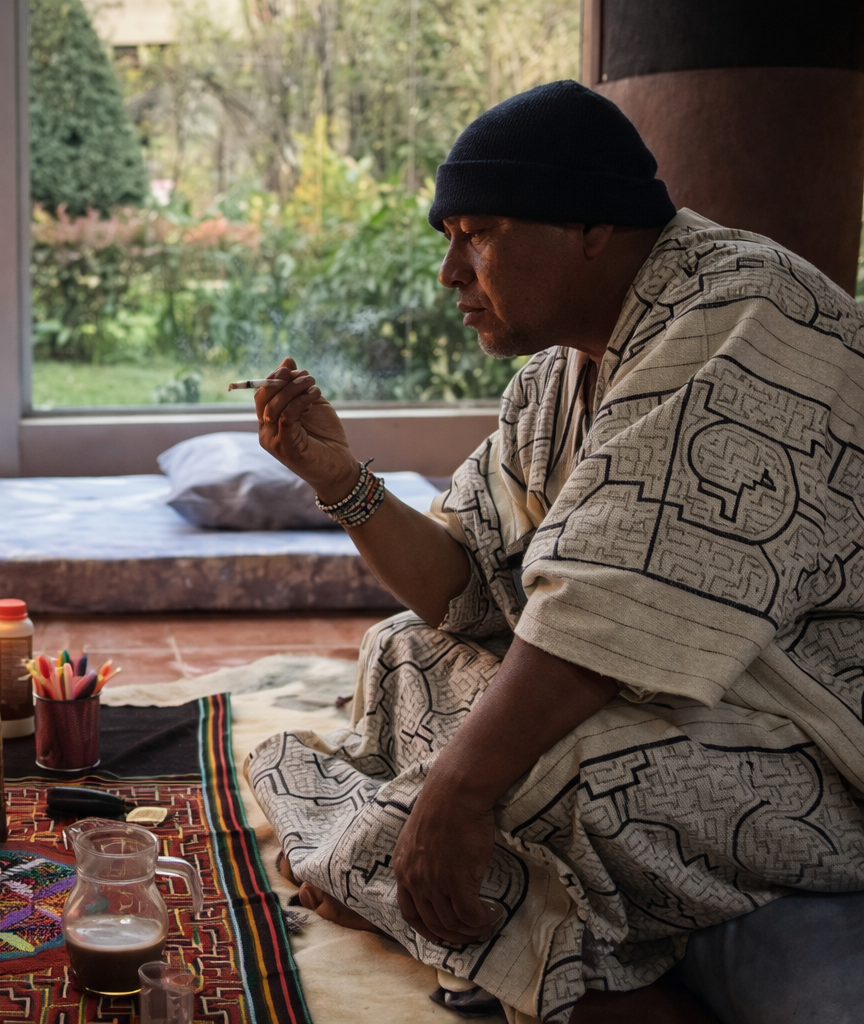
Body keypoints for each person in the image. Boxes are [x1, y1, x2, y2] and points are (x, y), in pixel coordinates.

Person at [246, 81, 864, 1024]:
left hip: (810, 725)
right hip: (658, 690)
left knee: (545, 783)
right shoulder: (556, 373)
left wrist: (456, 789)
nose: (451, 272)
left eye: (478, 232)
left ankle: (531, 949)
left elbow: (614, 602)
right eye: (448, 238)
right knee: (399, 653)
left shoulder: (746, 309)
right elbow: (463, 590)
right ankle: (418, 863)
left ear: (590, 227)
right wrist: (338, 479)